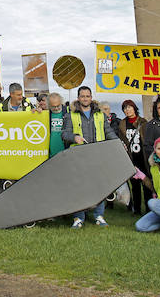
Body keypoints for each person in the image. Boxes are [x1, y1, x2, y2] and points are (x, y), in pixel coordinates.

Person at [62, 85, 118, 228]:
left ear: (91, 97)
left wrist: (118, 143)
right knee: (79, 188)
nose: (85, 98)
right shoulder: (70, 114)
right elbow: (64, 134)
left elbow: (108, 131)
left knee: (99, 187)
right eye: (82, 96)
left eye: (87, 96)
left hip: (97, 156)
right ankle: (78, 218)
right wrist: (74, 137)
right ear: (78, 98)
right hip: (79, 157)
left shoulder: (100, 114)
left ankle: (99, 216)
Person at [118, 99, 150, 215]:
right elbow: (121, 140)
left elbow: (147, 138)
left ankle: (148, 209)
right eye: (125, 108)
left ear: (134, 108)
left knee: (147, 186)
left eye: (129, 107)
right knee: (135, 186)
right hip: (131, 159)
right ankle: (136, 210)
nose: (127, 110)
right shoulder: (122, 123)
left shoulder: (143, 122)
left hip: (143, 158)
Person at [47, 93, 67, 158]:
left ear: (61, 103)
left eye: (58, 106)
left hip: (66, 154)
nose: (56, 108)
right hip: (51, 156)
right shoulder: (45, 114)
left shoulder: (68, 112)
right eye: (53, 106)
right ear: (49, 105)